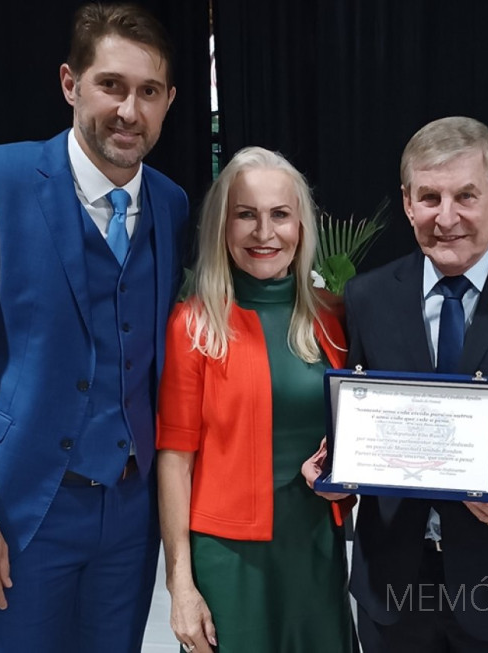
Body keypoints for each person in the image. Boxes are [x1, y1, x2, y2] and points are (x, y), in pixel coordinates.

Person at [0, 4, 188, 651]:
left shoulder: (171, 204)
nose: (129, 109)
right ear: (71, 83)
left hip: (128, 511)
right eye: (111, 85)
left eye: (148, 91)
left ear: (170, 100)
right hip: (21, 505)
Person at [303, 116, 488, 652]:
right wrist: (333, 464)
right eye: (429, 198)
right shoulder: (369, 298)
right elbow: (359, 411)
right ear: (407, 202)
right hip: (390, 584)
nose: (446, 218)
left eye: (466, 195)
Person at [157, 146, 355, 653]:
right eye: (245, 214)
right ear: (222, 227)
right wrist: (180, 584)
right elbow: (175, 459)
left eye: (280, 215)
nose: (264, 233)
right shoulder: (195, 324)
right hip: (229, 561)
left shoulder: (334, 319)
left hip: (315, 545)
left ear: (301, 226)